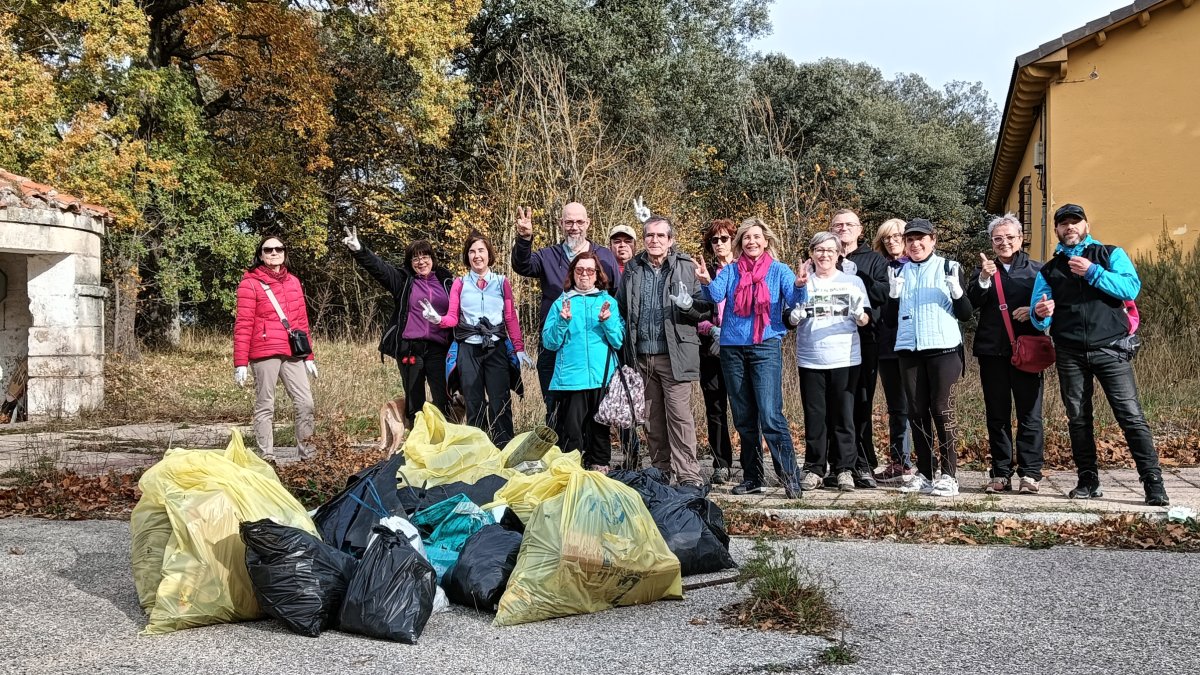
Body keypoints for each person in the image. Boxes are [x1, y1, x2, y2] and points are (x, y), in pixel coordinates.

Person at [1032, 204, 1169, 506]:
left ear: (1086, 225)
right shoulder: (1049, 269)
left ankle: (1153, 483)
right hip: (1069, 352)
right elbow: (1037, 312)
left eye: (1075, 222)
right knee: (1078, 419)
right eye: (1063, 223)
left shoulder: (1109, 254)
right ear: (1056, 230)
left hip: (1111, 349)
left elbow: (1130, 288)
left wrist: (1093, 272)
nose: (1069, 228)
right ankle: (1088, 480)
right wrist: (1041, 314)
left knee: (1131, 417)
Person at [695, 217, 806, 498]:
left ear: (765, 241)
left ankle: (790, 476)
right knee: (744, 417)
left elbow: (793, 300)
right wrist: (706, 281)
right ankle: (753, 477)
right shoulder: (731, 271)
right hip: (732, 349)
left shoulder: (779, 270)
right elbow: (715, 294)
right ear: (740, 243)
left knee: (770, 415)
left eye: (756, 237)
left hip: (765, 346)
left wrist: (801, 284)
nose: (751, 241)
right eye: (746, 238)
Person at [617, 215, 708, 492]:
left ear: (671, 240)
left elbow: (705, 310)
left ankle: (688, 474)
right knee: (652, 418)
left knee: (679, 416)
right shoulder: (632, 268)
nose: (654, 240)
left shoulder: (685, 266)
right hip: (641, 356)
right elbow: (623, 308)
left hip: (675, 354)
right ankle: (660, 470)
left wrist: (688, 305)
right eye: (649, 235)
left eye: (660, 236)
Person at [421, 232, 531, 446]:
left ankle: (504, 448)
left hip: (495, 348)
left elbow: (510, 317)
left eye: (481, 250)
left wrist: (518, 348)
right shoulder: (459, 284)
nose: (477, 255)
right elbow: (453, 318)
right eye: (472, 251)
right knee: (473, 403)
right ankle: (477, 449)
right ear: (467, 256)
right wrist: (438, 319)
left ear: (489, 254)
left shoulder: (501, 282)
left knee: (500, 402)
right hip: (468, 350)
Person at [889, 218, 973, 497]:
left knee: (942, 409)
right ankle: (925, 473)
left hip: (944, 349)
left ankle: (950, 475)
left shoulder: (949, 267)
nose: (915, 244)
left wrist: (958, 292)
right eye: (910, 239)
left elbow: (965, 314)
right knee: (916, 412)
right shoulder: (898, 271)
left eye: (921, 238)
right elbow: (890, 320)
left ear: (933, 240)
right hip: (909, 350)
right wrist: (893, 294)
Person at [512, 203, 619, 420]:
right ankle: (559, 453)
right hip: (553, 346)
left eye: (579, 221)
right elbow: (522, 266)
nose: (574, 227)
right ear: (561, 224)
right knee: (554, 409)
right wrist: (524, 239)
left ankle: (593, 453)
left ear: (588, 223)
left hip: (592, 350)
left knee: (594, 414)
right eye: (569, 222)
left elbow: (617, 296)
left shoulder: (605, 257)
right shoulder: (548, 256)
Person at [341, 227, 453, 428]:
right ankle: (416, 444)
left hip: (439, 348)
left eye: (425, 256)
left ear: (432, 259)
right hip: (411, 348)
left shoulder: (446, 281)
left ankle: (442, 443)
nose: (421, 261)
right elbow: (380, 269)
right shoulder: (404, 281)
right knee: (414, 401)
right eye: (415, 258)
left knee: (442, 400)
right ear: (410, 263)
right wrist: (359, 249)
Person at [967, 213, 1046, 494]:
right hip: (992, 352)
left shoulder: (1038, 271)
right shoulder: (983, 272)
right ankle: (1000, 472)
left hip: (1028, 351)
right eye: (998, 239)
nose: (1004, 243)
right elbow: (970, 305)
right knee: (997, 415)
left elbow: (1051, 307)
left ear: (1021, 239)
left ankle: (1031, 473)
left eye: (1010, 237)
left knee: (1030, 414)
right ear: (991, 242)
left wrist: (1035, 312)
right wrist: (985, 279)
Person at [791, 232, 871, 492]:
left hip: (845, 358)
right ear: (811, 253)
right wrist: (794, 316)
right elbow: (787, 318)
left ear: (839, 254)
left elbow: (866, 319)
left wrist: (859, 314)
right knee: (815, 417)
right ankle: (814, 468)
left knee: (844, 416)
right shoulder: (803, 283)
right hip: (811, 359)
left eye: (829, 250)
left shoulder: (853, 282)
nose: (824, 255)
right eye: (819, 250)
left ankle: (844, 469)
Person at [233, 236, 318, 461]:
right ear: (260, 254)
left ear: (284, 253)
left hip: (292, 352)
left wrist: (308, 355)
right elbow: (243, 324)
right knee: (265, 405)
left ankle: (307, 457)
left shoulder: (293, 282)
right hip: (263, 351)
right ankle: (267, 458)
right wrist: (240, 362)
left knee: (305, 402)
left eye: (278, 249)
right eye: (268, 249)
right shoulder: (250, 283)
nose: (273, 253)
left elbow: (301, 321)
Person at [542, 251, 625, 471]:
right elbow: (549, 343)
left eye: (590, 270)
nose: (585, 275)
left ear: (597, 274)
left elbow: (618, 341)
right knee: (571, 431)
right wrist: (562, 321)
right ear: (573, 273)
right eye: (580, 270)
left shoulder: (608, 302)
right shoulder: (561, 303)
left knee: (600, 429)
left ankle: (599, 469)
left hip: (601, 377)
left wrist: (607, 322)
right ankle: (571, 471)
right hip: (571, 379)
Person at [830, 208, 889, 488]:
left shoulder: (875, 260)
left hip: (866, 341)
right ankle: (836, 464)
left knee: (861, 403)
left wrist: (859, 278)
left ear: (860, 229)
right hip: (830, 343)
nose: (843, 229)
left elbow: (883, 295)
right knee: (834, 405)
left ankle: (863, 463)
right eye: (837, 225)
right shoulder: (824, 257)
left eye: (848, 224)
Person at [872, 218, 914, 481]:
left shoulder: (920, 267)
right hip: (886, 345)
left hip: (915, 345)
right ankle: (900, 462)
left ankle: (929, 460)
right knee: (897, 407)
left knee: (920, 405)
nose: (891, 240)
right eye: (886, 237)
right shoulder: (880, 269)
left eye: (897, 235)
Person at [697, 218, 737, 484]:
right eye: (715, 240)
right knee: (715, 407)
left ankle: (753, 460)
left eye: (724, 238)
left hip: (740, 346)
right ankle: (721, 463)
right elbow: (692, 309)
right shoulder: (702, 272)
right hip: (710, 349)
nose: (720, 244)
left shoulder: (746, 269)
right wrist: (710, 328)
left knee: (747, 407)